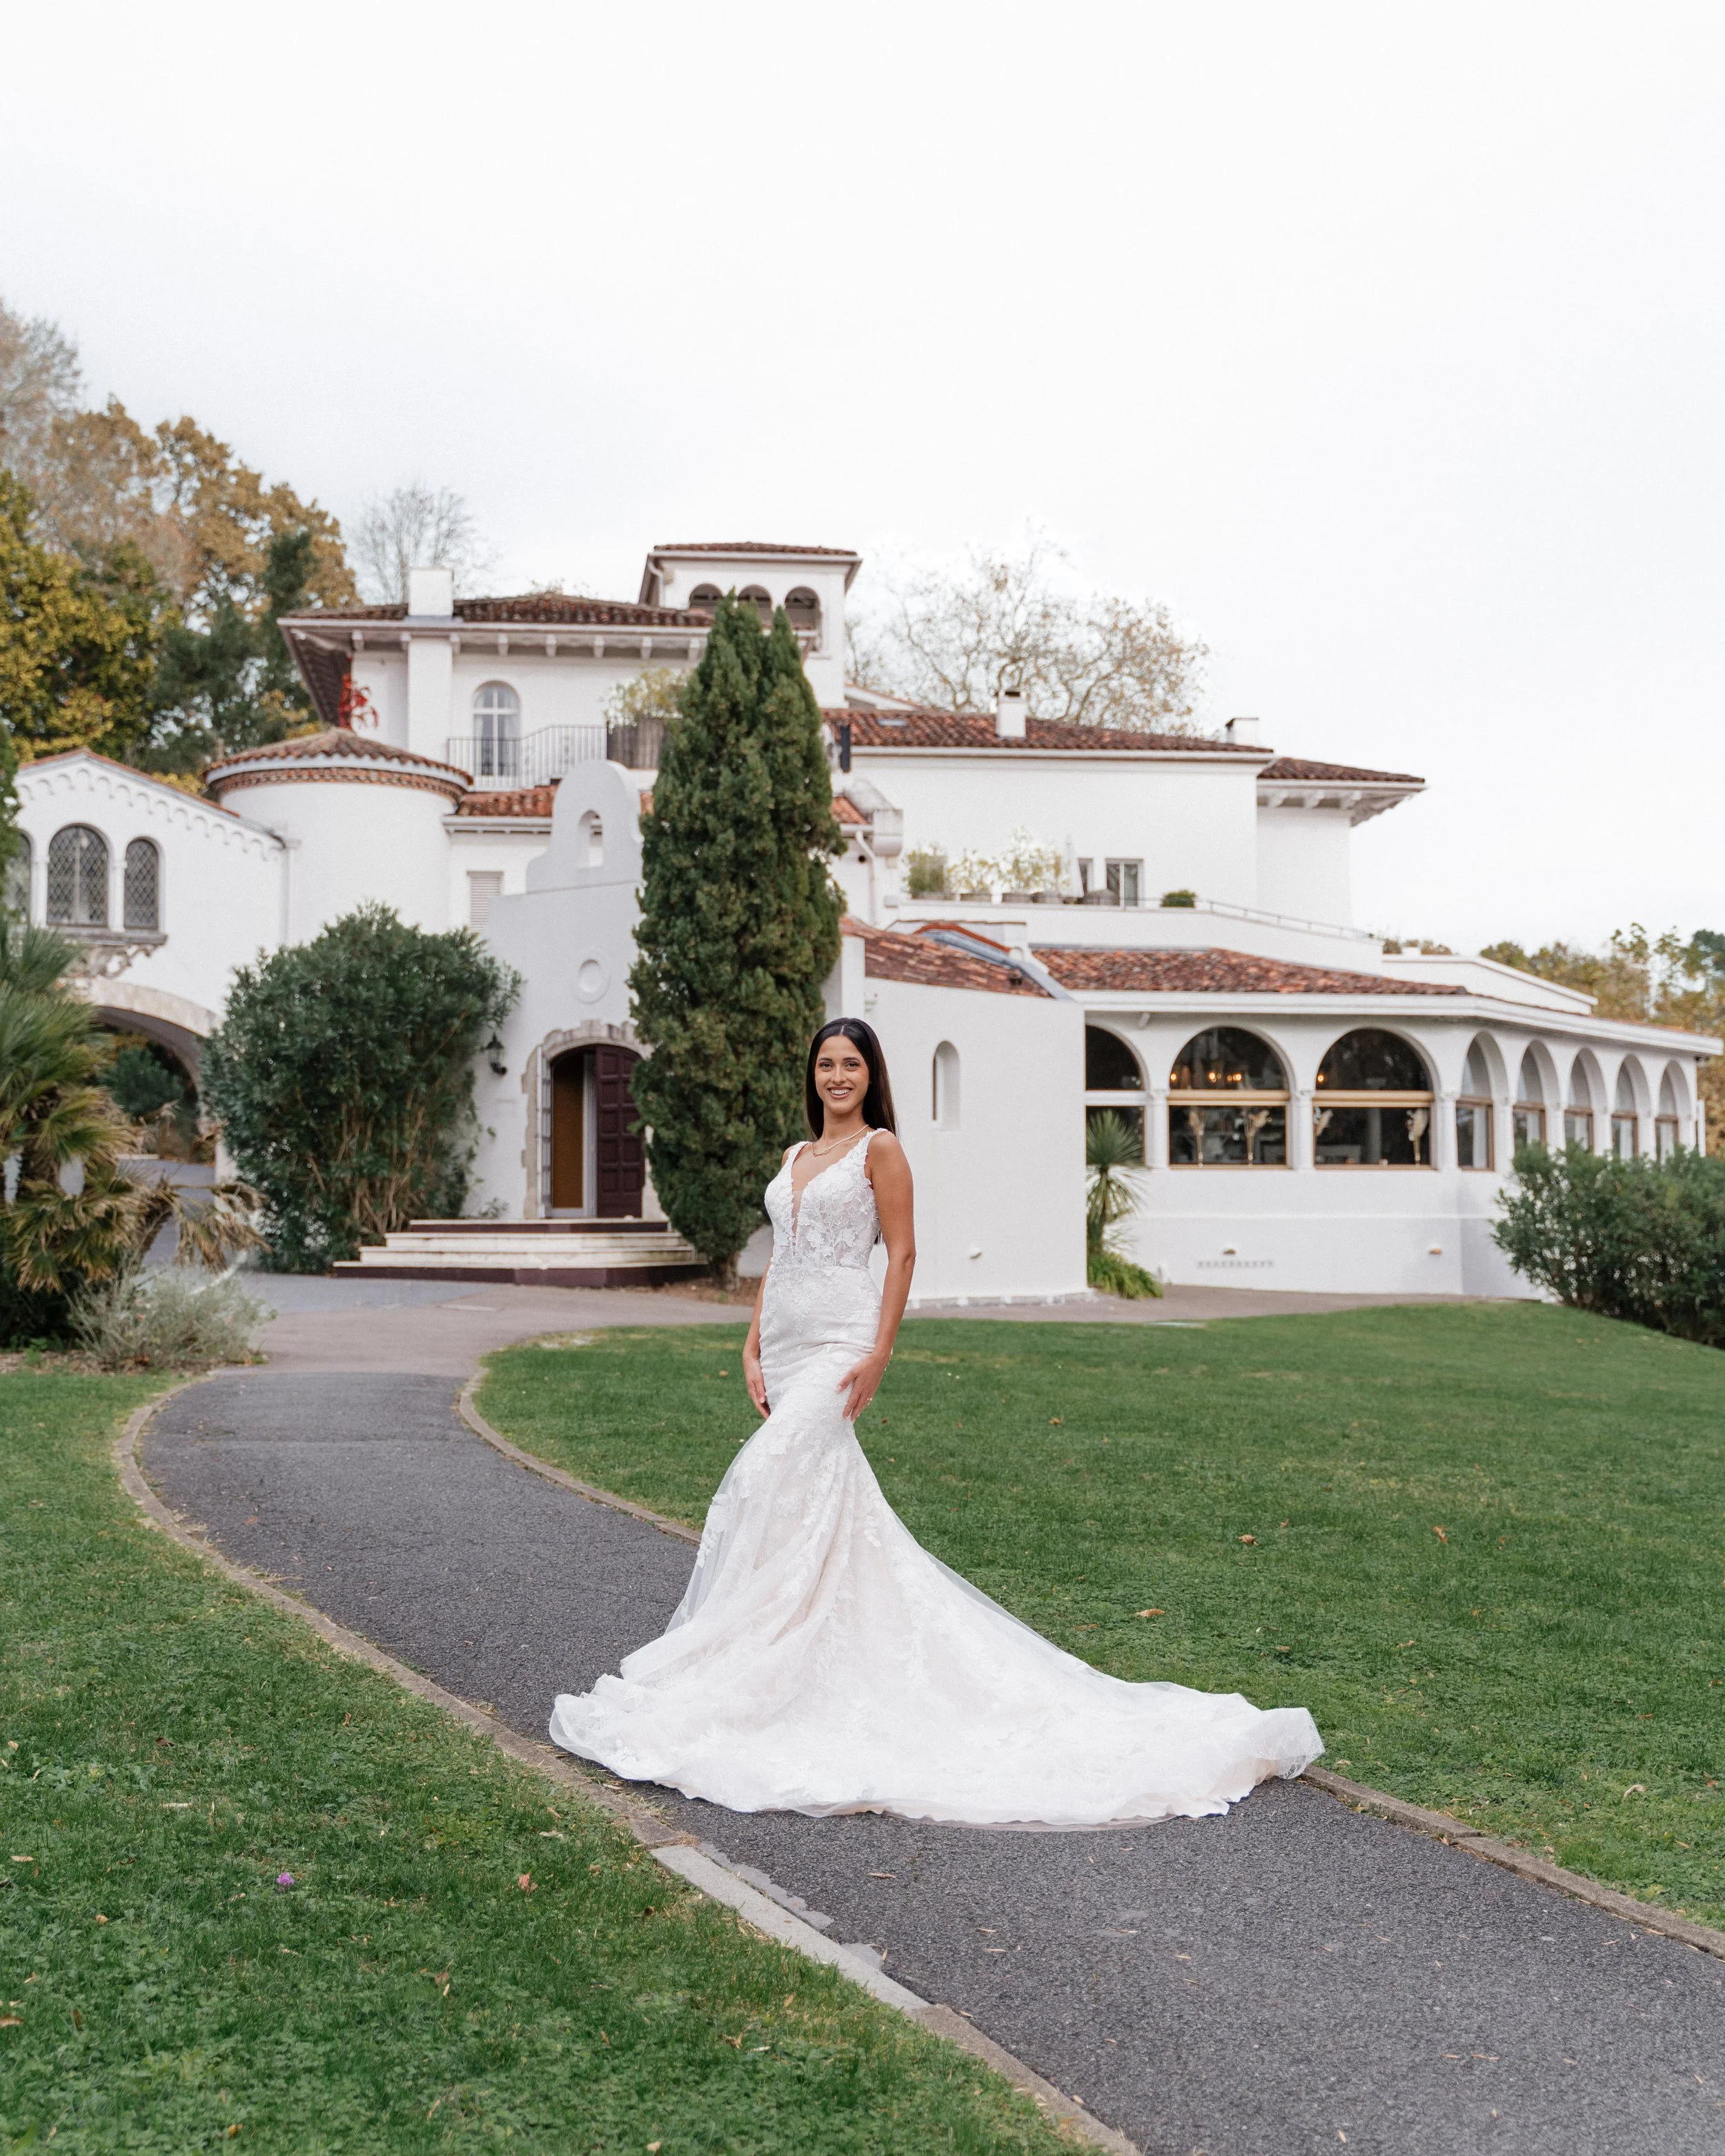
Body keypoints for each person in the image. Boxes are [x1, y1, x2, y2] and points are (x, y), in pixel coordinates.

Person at [549, 1018, 1321, 1826]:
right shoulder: (792, 1157)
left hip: (842, 1339)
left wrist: (880, 1350)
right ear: (810, 1074)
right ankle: (790, 1649)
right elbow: (778, 1256)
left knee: (761, 1475)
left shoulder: (881, 1149)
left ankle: (760, 1647)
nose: (836, 1075)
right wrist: (749, 1344)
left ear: (871, 1074)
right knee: (811, 1496)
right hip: (784, 1338)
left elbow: (906, 1252)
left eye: (850, 1063)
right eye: (825, 1063)